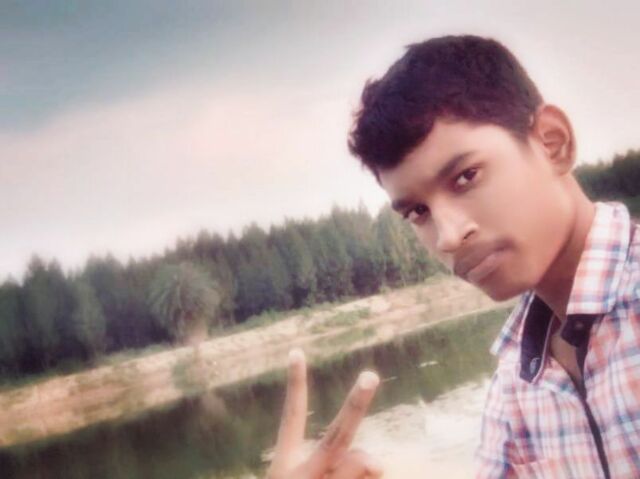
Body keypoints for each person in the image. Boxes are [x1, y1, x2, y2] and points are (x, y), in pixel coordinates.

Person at [266, 35, 640, 478]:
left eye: (466, 177)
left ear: (551, 143)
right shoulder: (517, 383)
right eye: (417, 212)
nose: (447, 237)